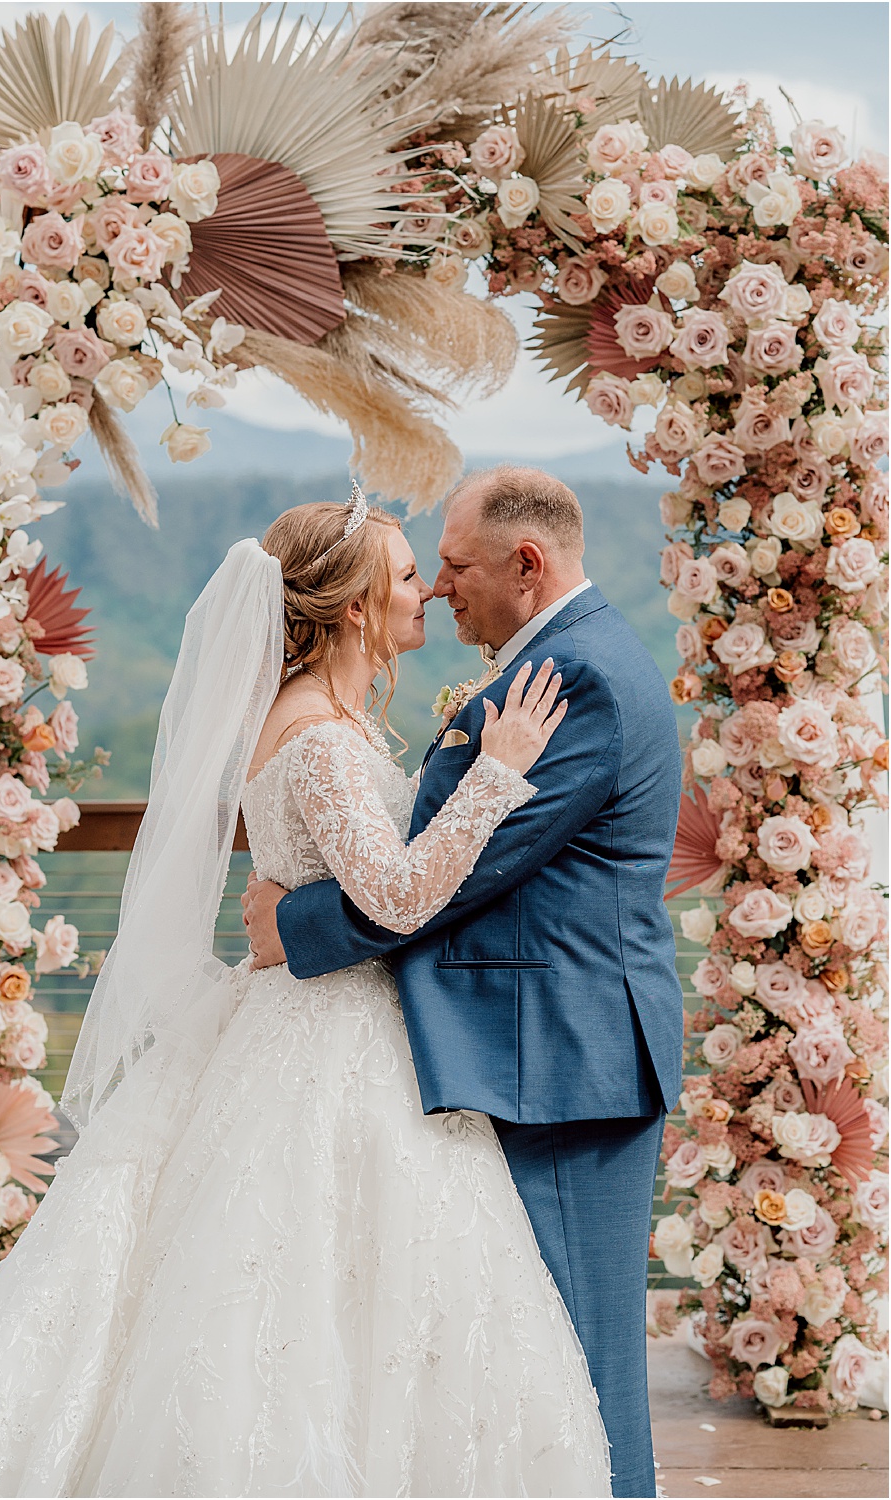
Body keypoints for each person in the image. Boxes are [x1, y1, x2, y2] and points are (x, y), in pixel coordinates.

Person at [0, 485, 613, 1496]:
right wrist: (495, 772)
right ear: (355, 607)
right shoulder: (317, 737)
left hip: (315, 1017)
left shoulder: (326, 721)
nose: (426, 592)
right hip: (333, 1039)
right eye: (408, 575)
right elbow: (399, 895)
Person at [242, 465, 683, 1498]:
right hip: (511, 1052)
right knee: (519, 1366)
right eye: (416, 572)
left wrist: (287, 926)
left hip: (560, 1058)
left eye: (447, 566)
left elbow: (459, 875)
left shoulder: (577, 680)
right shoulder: (548, 665)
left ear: (523, 565)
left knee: (576, 1367)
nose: (436, 590)